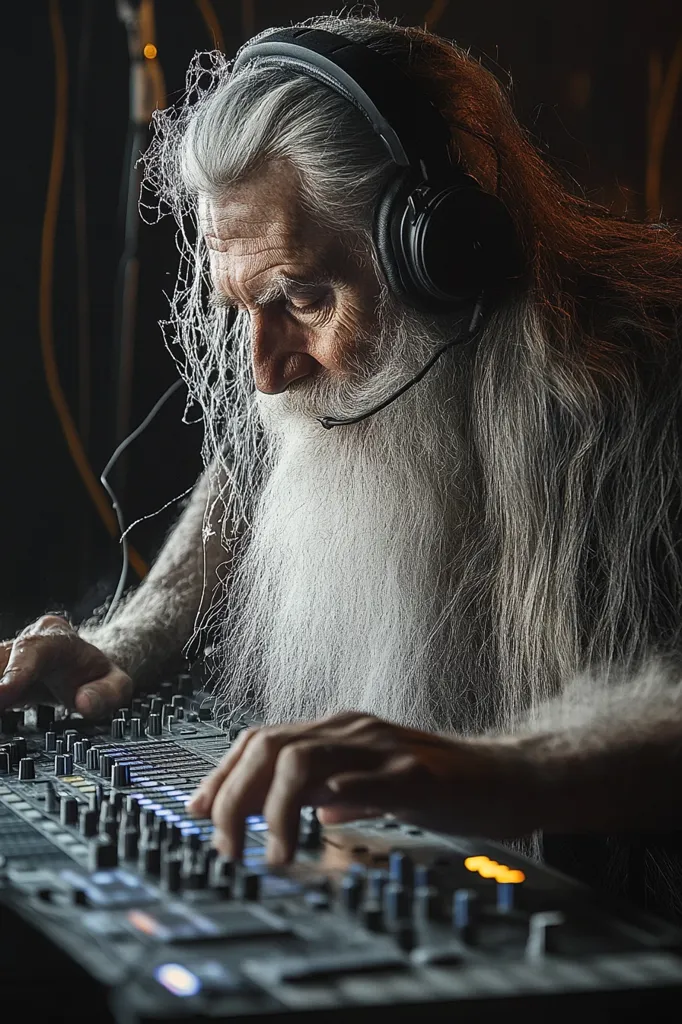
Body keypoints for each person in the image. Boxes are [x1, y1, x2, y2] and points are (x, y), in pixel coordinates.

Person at [2, 16, 681, 915]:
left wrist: (512, 767)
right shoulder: (328, 376)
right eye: (242, 306)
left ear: (443, 248)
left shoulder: (650, 371)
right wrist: (125, 642)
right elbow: (251, 478)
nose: (263, 371)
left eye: (303, 298)